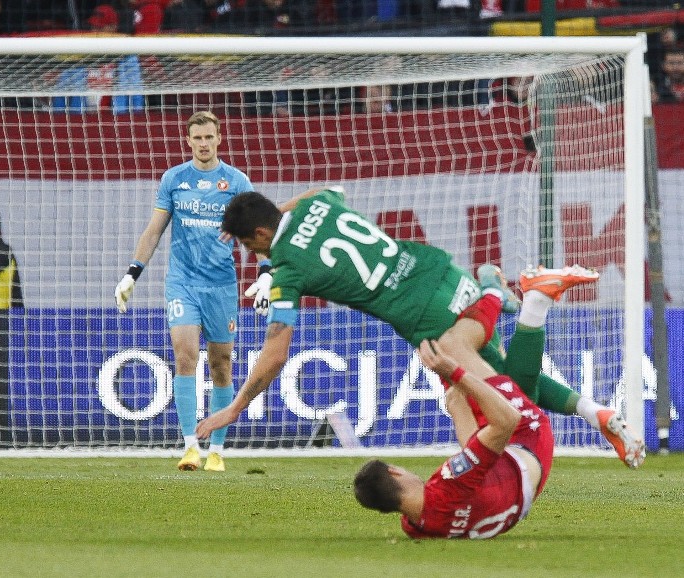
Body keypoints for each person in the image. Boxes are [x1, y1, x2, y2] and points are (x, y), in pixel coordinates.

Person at [195, 188, 646, 468]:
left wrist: (233, 410)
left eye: (248, 244)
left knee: (509, 393)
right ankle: (599, 414)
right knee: (495, 375)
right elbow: (326, 190)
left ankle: (529, 302)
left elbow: (275, 353)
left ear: (259, 231)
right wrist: (282, 228)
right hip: (440, 271)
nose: (252, 254)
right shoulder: (318, 204)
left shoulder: (289, 268)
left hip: (424, 316)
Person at [114, 111, 270, 472]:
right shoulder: (174, 179)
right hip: (182, 281)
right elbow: (154, 230)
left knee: (221, 365)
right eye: (196, 138)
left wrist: (265, 273)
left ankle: (216, 449)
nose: (203, 143)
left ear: (219, 139)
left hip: (221, 285)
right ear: (188, 141)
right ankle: (189, 447)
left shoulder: (236, 181)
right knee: (185, 355)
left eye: (208, 137)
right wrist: (131, 274)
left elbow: (257, 232)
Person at [354, 333, 551, 539]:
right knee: (452, 344)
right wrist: (454, 373)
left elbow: (471, 468)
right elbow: (510, 419)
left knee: (458, 401)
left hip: (510, 495)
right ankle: (509, 304)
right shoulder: (450, 482)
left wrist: (457, 399)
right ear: (395, 472)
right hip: (529, 438)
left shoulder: (417, 527)